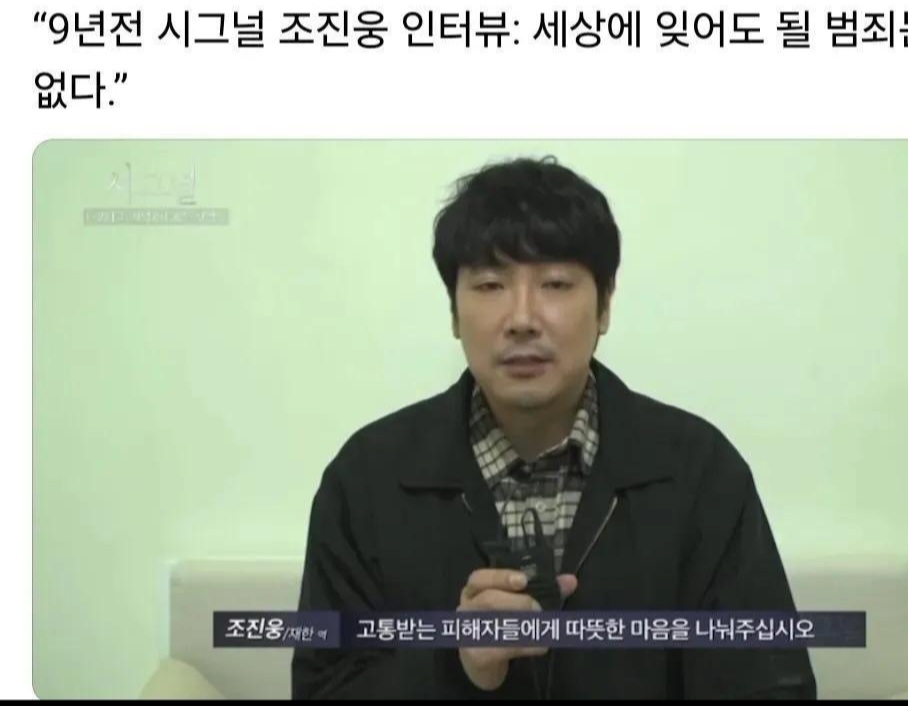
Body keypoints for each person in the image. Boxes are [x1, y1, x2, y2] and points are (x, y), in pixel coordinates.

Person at [290, 156, 817, 700]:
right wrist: (455, 665)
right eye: (490, 284)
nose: (522, 318)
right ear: (453, 312)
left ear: (604, 305)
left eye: (556, 283)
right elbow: (322, 688)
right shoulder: (368, 478)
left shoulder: (699, 472)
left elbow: (770, 686)